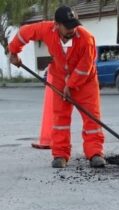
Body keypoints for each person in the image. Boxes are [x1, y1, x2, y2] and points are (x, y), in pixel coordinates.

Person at [9, 5, 106, 168]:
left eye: (74, 25)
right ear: (56, 24)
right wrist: (13, 51)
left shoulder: (86, 39)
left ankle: (95, 153)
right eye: (68, 26)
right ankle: (60, 154)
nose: (72, 29)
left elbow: (85, 67)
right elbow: (24, 33)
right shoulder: (46, 30)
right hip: (60, 79)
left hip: (85, 82)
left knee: (91, 118)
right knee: (60, 119)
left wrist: (71, 85)